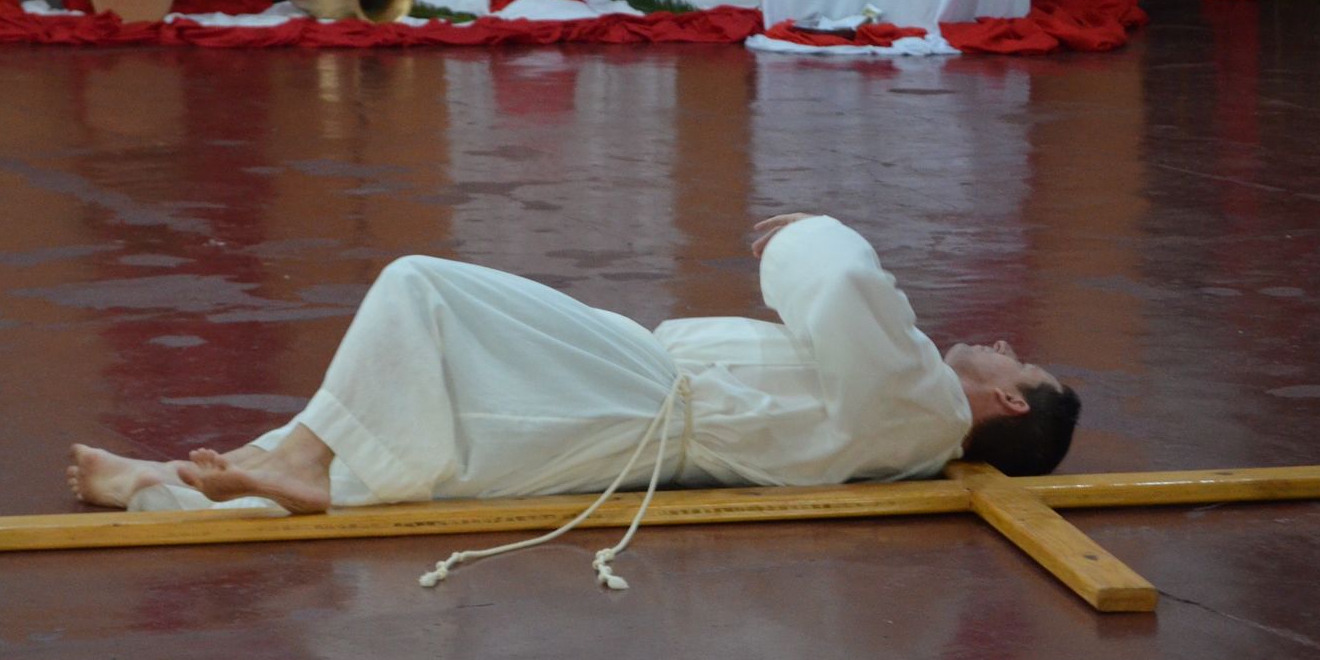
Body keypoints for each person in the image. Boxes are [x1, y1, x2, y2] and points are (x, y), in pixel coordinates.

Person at [67, 214, 1080, 586]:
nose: (1000, 343)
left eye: (1015, 360)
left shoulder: (923, 401)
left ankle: (289, 464)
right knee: (432, 421)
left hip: (639, 390)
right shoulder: (911, 416)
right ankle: (168, 486)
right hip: (635, 414)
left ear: (1001, 401)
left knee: (422, 288)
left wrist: (802, 229)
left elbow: (846, 284)